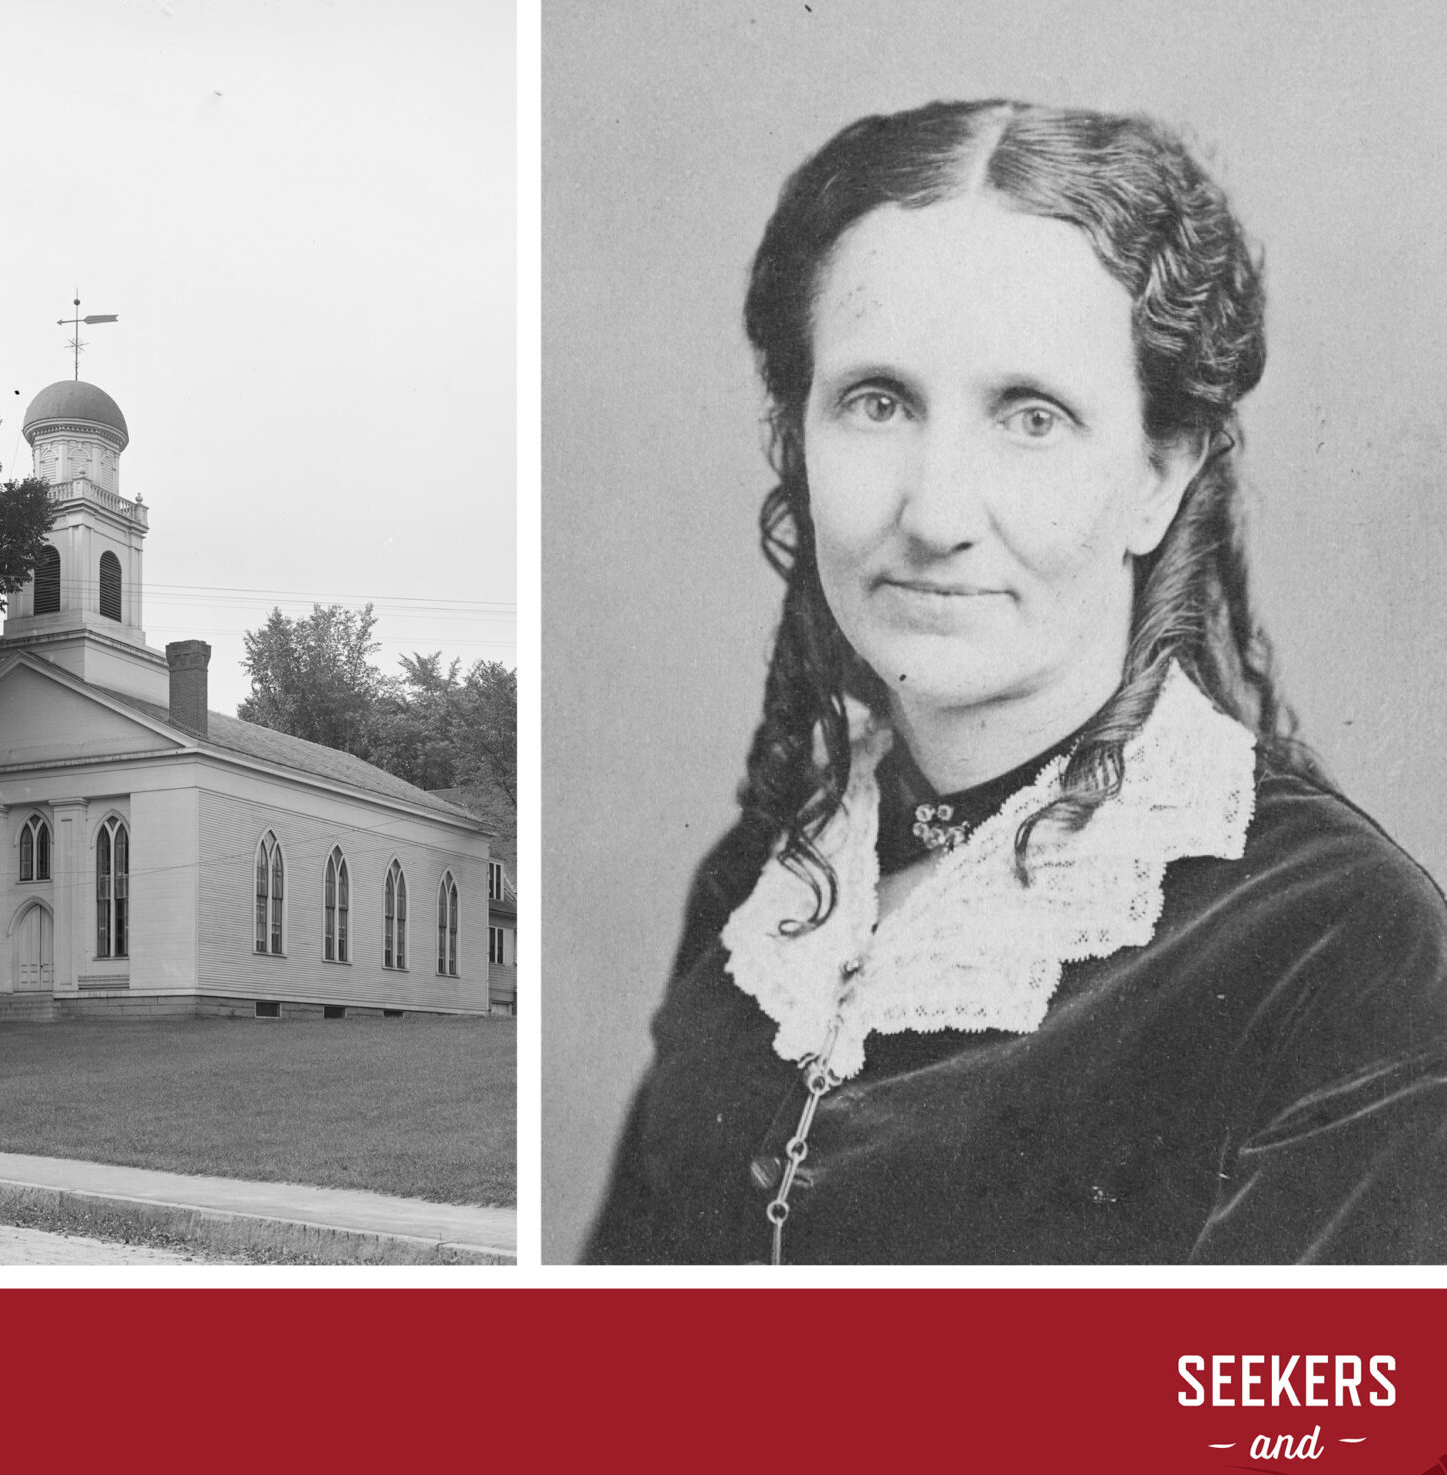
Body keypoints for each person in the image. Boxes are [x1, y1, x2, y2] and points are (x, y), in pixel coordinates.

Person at [585, 101, 1447, 1264]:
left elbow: (1273, 1445)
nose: (935, 515)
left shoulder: (1332, 942)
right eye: (877, 402)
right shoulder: (773, 879)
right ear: (797, 435)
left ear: (1158, 475)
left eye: (1030, 418)